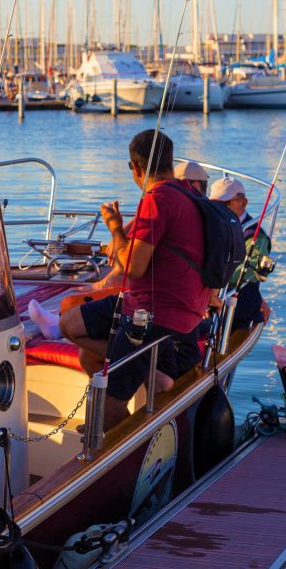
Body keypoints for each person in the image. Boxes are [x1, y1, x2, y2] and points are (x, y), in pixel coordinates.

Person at [59, 129, 210, 427]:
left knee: (111, 395)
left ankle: (118, 428)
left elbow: (134, 268)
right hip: (183, 312)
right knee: (78, 339)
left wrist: (115, 226)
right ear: (170, 161)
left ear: (136, 168)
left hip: (151, 314)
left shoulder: (158, 199)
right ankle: (144, 367)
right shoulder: (189, 194)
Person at [209, 176, 273, 328]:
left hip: (238, 313)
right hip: (207, 305)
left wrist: (209, 290)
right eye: (213, 204)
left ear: (243, 203)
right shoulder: (211, 226)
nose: (218, 209)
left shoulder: (257, 237)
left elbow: (245, 273)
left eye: (225, 204)